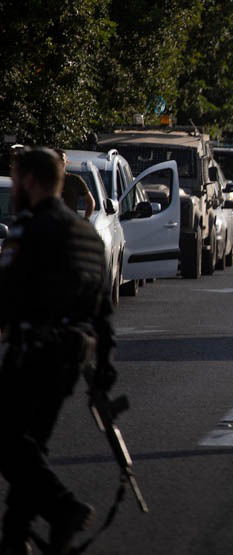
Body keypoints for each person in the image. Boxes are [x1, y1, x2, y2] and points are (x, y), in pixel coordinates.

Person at [0, 148, 117, 554]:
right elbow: (103, 310)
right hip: (71, 361)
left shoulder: (30, 228)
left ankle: (63, 507)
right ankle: (15, 535)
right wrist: (104, 368)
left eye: (16, 179)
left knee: (10, 442)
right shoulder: (87, 234)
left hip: (33, 354)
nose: (15, 187)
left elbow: (7, 295)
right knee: (30, 448)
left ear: (30, 180)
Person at [54, 149, 95, 218]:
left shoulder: (75, 180)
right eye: (56, 159)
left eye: (61, 159)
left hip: (69, 223)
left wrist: (86, 219)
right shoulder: (44, 180)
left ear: (66, 162)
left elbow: (90, 202)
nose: (59, 162)